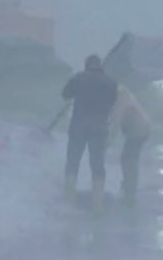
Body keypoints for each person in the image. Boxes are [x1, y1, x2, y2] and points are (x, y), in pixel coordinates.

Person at [62, 55, 118, 213]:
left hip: (79, 126)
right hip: (99, 128)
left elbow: (65, 94)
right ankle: (98, 205)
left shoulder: (78, 78)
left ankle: (69, 201)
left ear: (87, 65)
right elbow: (113, 102)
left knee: (73, 161)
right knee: (97, 164)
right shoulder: (111, 82)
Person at [109, 86, 152, 207]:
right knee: (129, 158)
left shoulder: (120, 95)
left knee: (128, 158)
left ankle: (129, 189)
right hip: (139, 129)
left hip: (139, 130)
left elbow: (117, 118)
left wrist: (110, 140)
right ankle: (129, 187)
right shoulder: (122, 93)